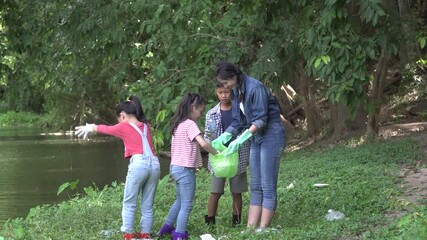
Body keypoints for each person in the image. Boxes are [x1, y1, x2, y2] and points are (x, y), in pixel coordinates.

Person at [211, 61, 286, 232]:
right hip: (256, 136)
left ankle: (263, 228)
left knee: (267, 184)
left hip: (271, 134)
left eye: (225, 83)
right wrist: (227, 136)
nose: (224, 87)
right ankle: (251, 228)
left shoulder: (255, 87)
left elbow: (260, 119)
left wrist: (241, 139)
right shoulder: (237, 90)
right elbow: (239, 121)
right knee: (255, 184)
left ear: (233, 76)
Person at [74, 96, 160, 240]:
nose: (119, 121)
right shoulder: (146, 126)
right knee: (148, 204)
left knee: (129, 202)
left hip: (139, 164)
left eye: (119, 118)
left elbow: (106, 129)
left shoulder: (124, 125)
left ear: (122, 116)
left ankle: (128, 235)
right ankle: (145, 235)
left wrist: (90, 127)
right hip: (155, 165)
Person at [157, 93, 218, 240]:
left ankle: (166, 228)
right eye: (200, 111)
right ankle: (179, 234)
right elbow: (202, 143)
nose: (200, 114)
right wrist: (217, 153)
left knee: (179, 200)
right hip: (185, 170)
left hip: (175, 168)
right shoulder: (190, 124)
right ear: (193, 107)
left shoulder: (178, 124)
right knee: (187, 204)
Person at [204, 82, 250, 227]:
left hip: (238, 154)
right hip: (218, 157)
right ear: (216, 93)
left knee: (237, 192)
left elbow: (246, 129)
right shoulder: (211, 113)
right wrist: (211, 146)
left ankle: (236, 222)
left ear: (232, 91)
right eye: (220, 92)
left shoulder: (240, 110)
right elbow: (207, 135)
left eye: (227, 92)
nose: (224, 95)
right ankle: (210, 222)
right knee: (215, 192)